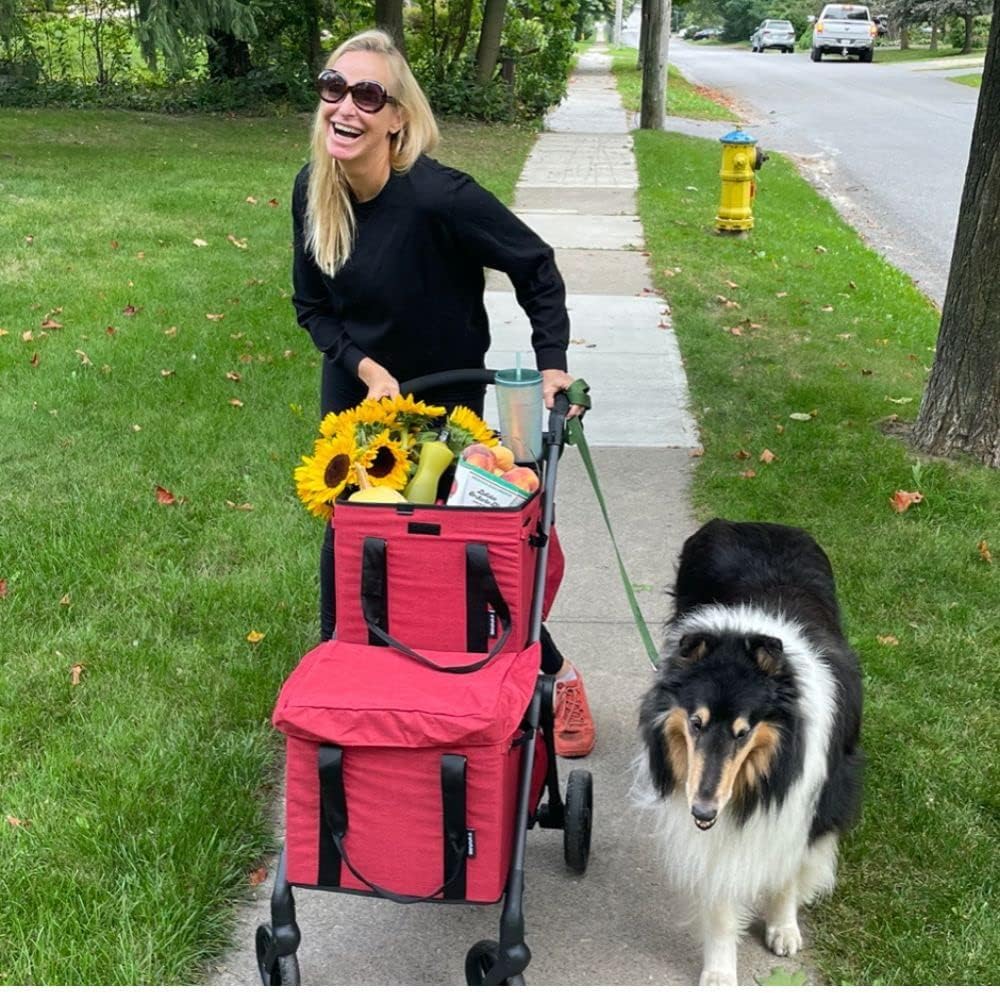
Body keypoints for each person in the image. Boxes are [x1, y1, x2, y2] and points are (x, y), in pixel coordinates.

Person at [290, 28, 594, 758]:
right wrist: (364, 369)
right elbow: (313, 308)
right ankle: (360, 706)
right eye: (335, 87)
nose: (347, 107)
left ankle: (555, 675)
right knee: (356, 551)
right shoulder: (314, 189)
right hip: (358, 410)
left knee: (458, 557)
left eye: (368, 95)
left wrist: (551, 362)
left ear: (397, 117)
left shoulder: (439, 197)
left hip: (443, 411)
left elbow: (536, 266)